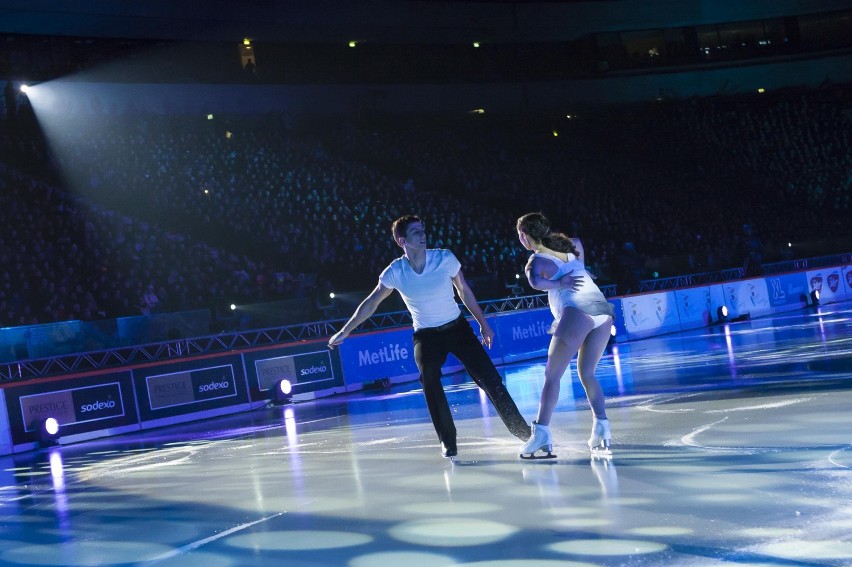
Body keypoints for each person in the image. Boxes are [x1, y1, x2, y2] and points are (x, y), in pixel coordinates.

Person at [328, 214, 531, 458]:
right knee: (429, 380)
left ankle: (524, 433)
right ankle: (448, 441)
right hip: (426, 336)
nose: (423, 235)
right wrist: (345, 331)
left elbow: (464, 291)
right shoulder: (396, 271)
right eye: (415, 232)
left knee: (490, 378)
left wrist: (484, 324)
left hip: (457, 328)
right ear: (401, 240)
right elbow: (371, 303)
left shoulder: (444, 258)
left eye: (423, 230)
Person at [515, 212, 614, 459]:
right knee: (587, 373)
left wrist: (560, 284)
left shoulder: (535, 261)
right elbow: (578, 244)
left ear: (524, 236)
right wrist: (578, 269)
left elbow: (536, 283)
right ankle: (602, 427)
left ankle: (541, 434)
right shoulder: (570, 246)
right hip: (601, 307)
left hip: (578, 309)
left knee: (552, 375)